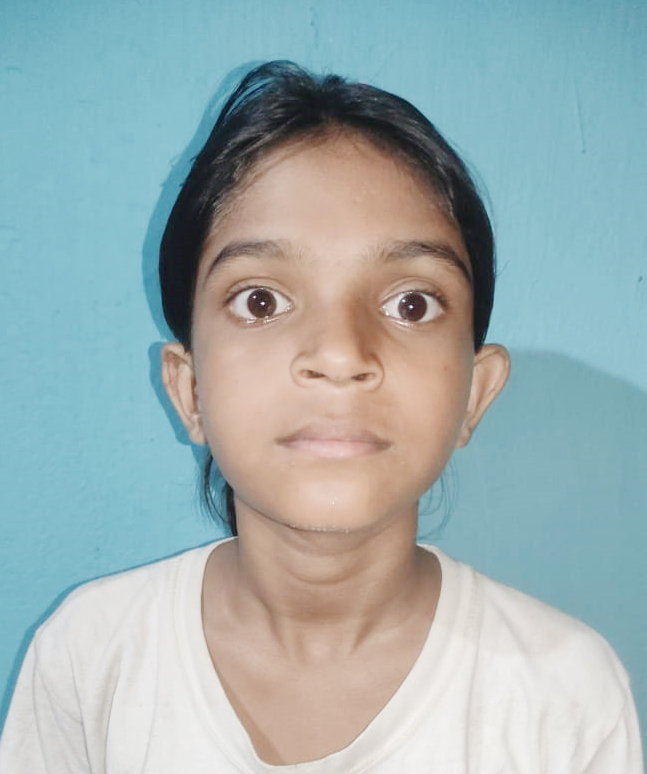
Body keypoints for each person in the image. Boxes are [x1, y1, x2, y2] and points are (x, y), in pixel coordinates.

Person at [0, 61, 642, 773]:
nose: (339, 355)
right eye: (261, 301)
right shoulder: (92, 656)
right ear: (189, 391)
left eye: (411, 304)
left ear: (474, 393)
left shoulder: (563, 695)